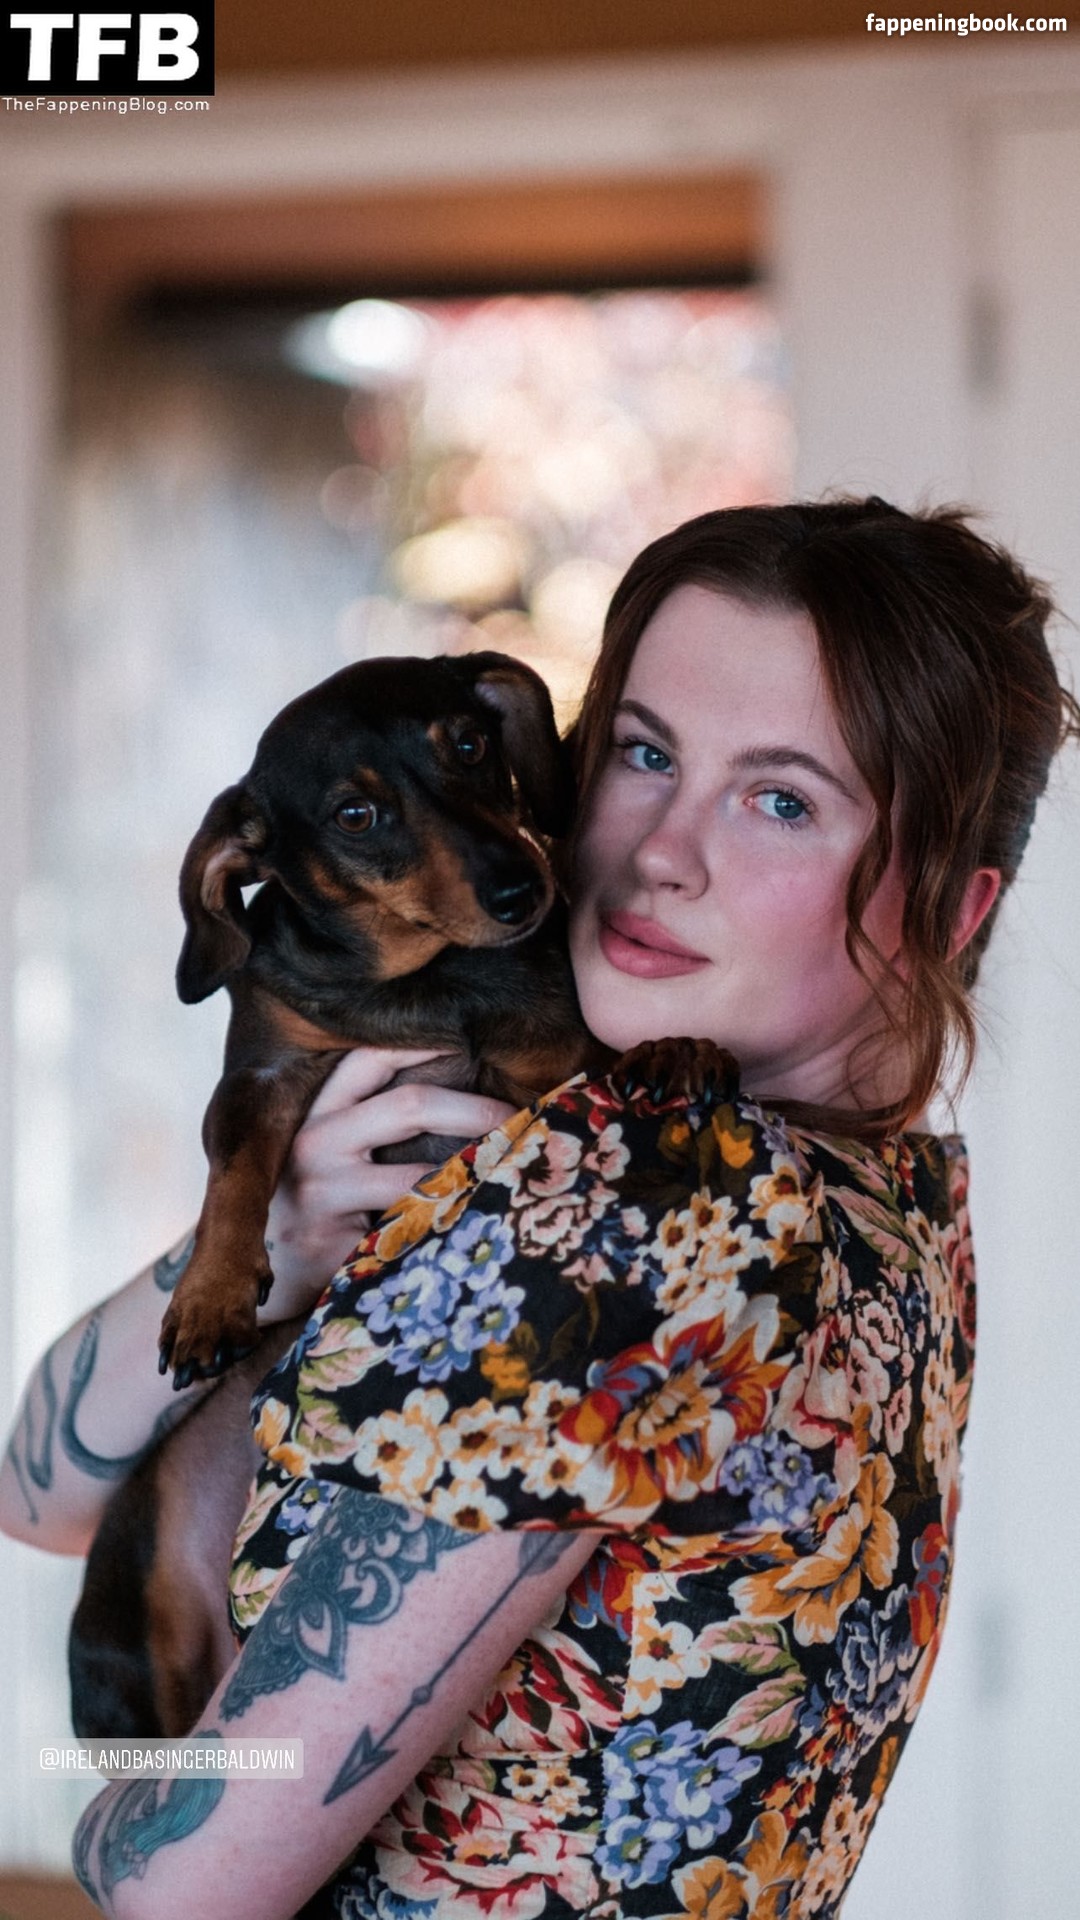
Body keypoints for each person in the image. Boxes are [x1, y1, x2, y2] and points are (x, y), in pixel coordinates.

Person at [1, 498, 1075, 1920]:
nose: (660, 848)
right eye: (645, 751)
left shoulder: (652, 1202)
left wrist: (99, 1806)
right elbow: (40, 1489)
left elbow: (179, 1884)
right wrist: (287, 1236)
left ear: (945, 910)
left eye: (782, 799)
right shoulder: (893, 1201)